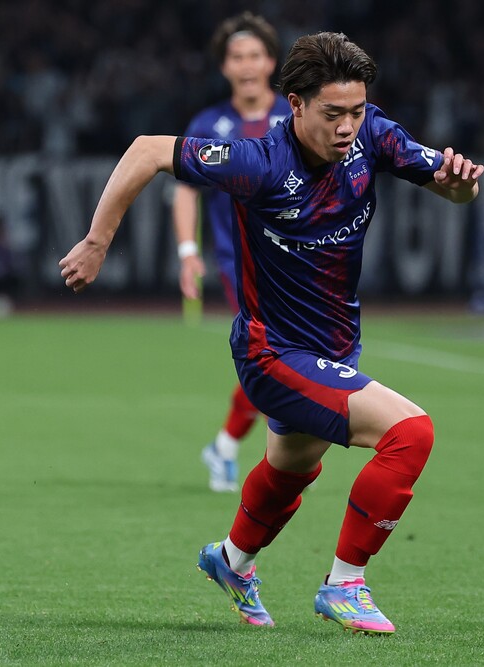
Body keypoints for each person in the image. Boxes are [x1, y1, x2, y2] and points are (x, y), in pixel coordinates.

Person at [59, 31, 484, 634]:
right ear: (297, 104)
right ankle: (345, 584)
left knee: (291, 471)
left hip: (335, 346)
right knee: (411, 433)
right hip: (272, 353)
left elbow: (453, 186)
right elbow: (146, 150)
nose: (347, 127)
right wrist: (97, 241)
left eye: (357, 111)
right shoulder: (258, 161)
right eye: (333, 113)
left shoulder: (374, 135)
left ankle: (231, 561)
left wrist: (462, 186)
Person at [172, 12, 292, 493]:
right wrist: (187, 251)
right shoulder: (210, 124)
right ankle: (245, 452)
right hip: (242, 264)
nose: (246, 65)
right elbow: (186, 189)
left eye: (254, 55)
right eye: (236, 57)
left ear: (271, 62)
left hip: (299, 259)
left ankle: (237, 447)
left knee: (287, 358)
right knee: (275, 356)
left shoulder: (296, 115)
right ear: (225, 66)